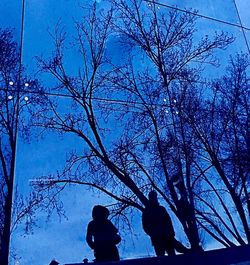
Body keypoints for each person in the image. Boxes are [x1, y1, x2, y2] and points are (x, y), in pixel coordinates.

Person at [142, 190, 189, 256]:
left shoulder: (161, 209)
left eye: (155, 196)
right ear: (150, 198)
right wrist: (154, 234)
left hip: (167, 237)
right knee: (161, 259)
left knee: (172, 256)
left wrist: (170, 233)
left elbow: (168, 222)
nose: (154, 198)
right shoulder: (146, 212)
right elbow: (145, 226)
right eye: (152, 197)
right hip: (157, 240)